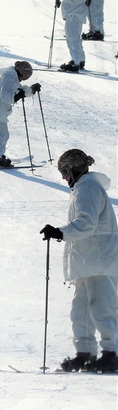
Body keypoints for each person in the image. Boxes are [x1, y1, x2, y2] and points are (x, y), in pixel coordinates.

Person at [40, 149, 118, 373]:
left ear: (76, 167)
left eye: (65, 171)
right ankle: (85, 353)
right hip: (88, 261)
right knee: (81, 310)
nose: (64, 177)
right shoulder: (82, 189)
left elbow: (87, 222)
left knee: (103, 308)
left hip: (100, 260)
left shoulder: (89, 188)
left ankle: (113, 353)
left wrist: (60, 232)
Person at [0, 61, 40, 168]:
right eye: (25, 77)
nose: (24, 79)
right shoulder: (10, 77)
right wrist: (18, 96)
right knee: (2, 135)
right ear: (22, 73)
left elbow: (19, 90)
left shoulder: (11, 76)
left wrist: (31, 90)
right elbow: (6, 96)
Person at [55, 0, 89, 73]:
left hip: (74, 14)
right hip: (73, 14)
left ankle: (76, 62)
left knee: (72, 39)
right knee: (75, 38)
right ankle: (79, 60)